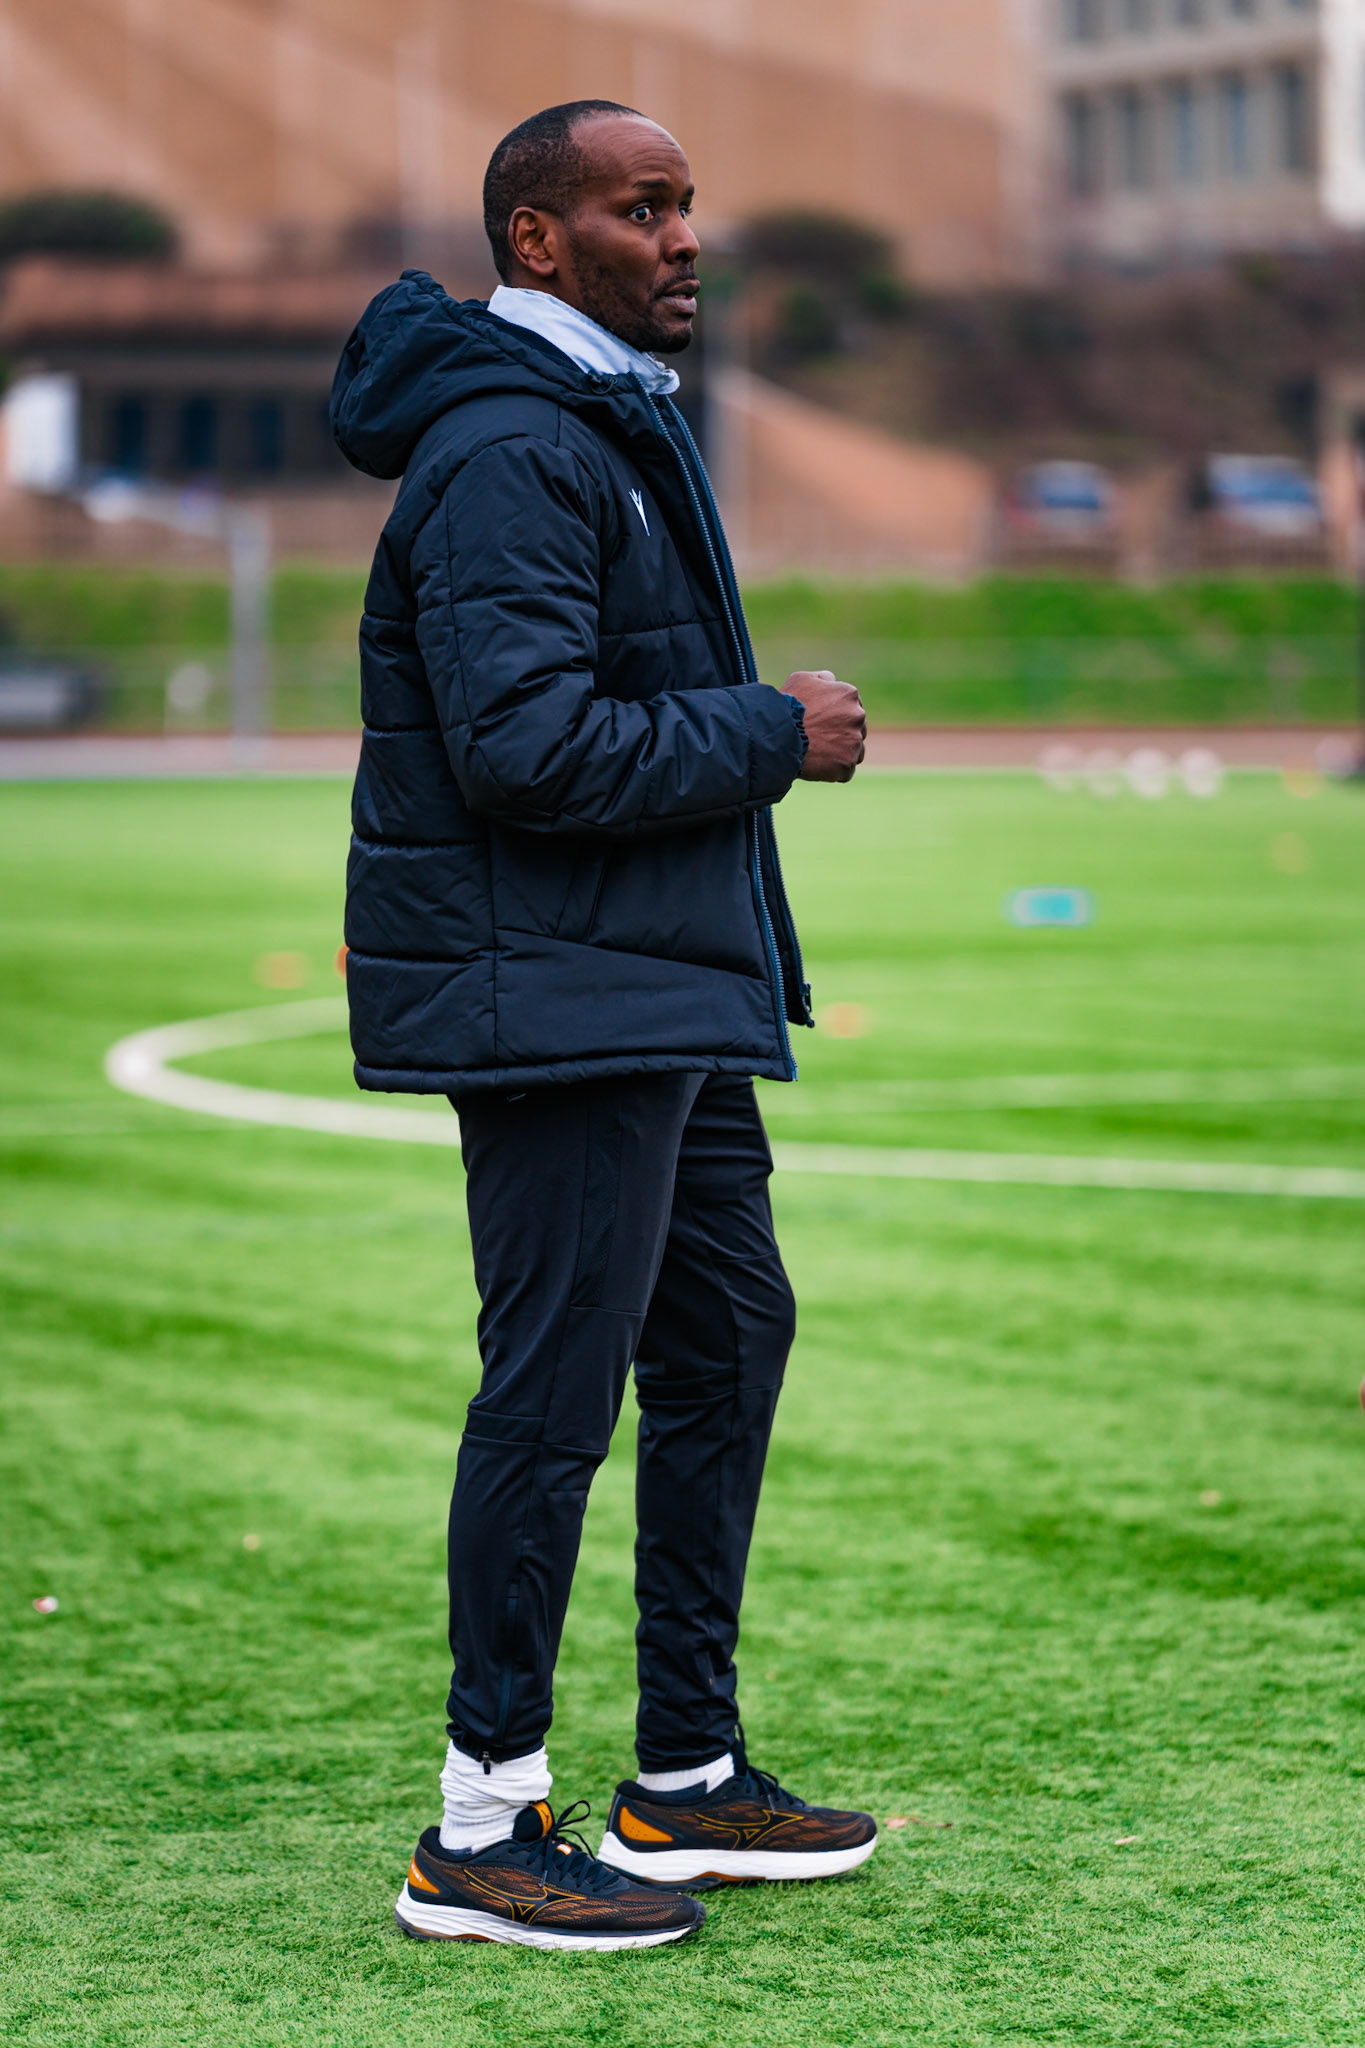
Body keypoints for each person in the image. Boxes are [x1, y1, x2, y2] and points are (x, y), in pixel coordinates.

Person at [331, 99, 872, 1952]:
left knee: (725, 1340)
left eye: (689, 205)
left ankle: (687, 1778)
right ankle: (479, 1827)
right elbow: (525, 747)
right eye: (642, 209)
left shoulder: (605, 423)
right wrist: (766, 733)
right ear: (541, 241)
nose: (684, 238)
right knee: (552, 1390)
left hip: (652, 983)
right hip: (552, 991)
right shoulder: (504, 446)